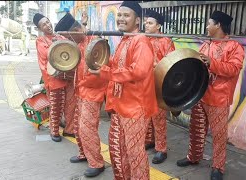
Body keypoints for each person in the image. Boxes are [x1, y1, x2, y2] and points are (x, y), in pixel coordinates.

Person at [88, 2, 158, 179]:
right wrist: (101, 60)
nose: (121, 18)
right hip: (120, 105)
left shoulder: (141, 41)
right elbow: (116, 63)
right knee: (118, 150)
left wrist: (106, 72)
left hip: (135, 108)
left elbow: (138, 71)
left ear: (137, 20)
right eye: (119, 15)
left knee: (134, 154)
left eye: (126, 15)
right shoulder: (124, 40)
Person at [176, 11, 245, 180]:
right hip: (200, 95)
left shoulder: (234, 46)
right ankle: (193, 157)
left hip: (219, 99)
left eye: (209, 23)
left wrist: (212, 63)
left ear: (218, 25)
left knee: (219, 135)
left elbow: (233, 69)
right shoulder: (206, 45)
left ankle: (218, 167)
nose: (207, 27)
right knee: (195, 130)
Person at [55, 12, 107, 177]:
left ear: (77, 29)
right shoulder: (77, 43)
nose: (68, 39)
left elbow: (101, 71)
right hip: (80, 91)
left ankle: (97, 163)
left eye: (68, 36)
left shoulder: (96, 42)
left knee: (87, 128)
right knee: (78, 126)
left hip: (92, 92)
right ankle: (84, 153)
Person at [144, 9, 175, 164]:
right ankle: (150, 140)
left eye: (150, 23)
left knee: (159, 119)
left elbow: (172, 65)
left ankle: (161, 149)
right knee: (146, 116)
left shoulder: (166, 41)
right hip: (144, 85)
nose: (146, 25)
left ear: (159, 26)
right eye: (146, 22)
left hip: (159, 86)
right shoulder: (143, 40)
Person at [33, 13, 67, 142]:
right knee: (56, 105)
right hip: (53, 78)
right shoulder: (40, 41)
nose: (48, 25)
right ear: (40, 29)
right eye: (44, 25)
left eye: (47, 22)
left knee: (65, 105)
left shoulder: (60, 36)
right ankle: (54, 131)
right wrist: (58, 44)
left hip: (65, 76)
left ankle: (67, 128)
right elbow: (47, 54)